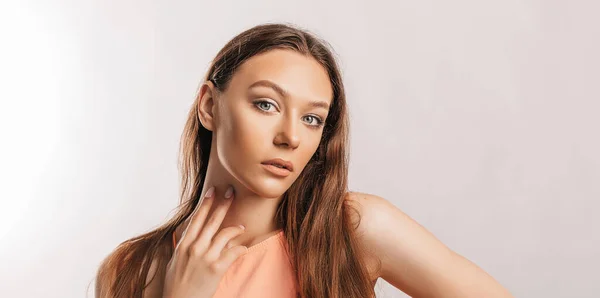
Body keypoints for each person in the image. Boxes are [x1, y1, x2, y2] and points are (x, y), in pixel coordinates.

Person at [94, 22, 513, 298]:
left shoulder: (353, 230)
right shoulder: (129, 271)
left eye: (312, 118)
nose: (291, 137)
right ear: (209, 105)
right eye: (266, 105)